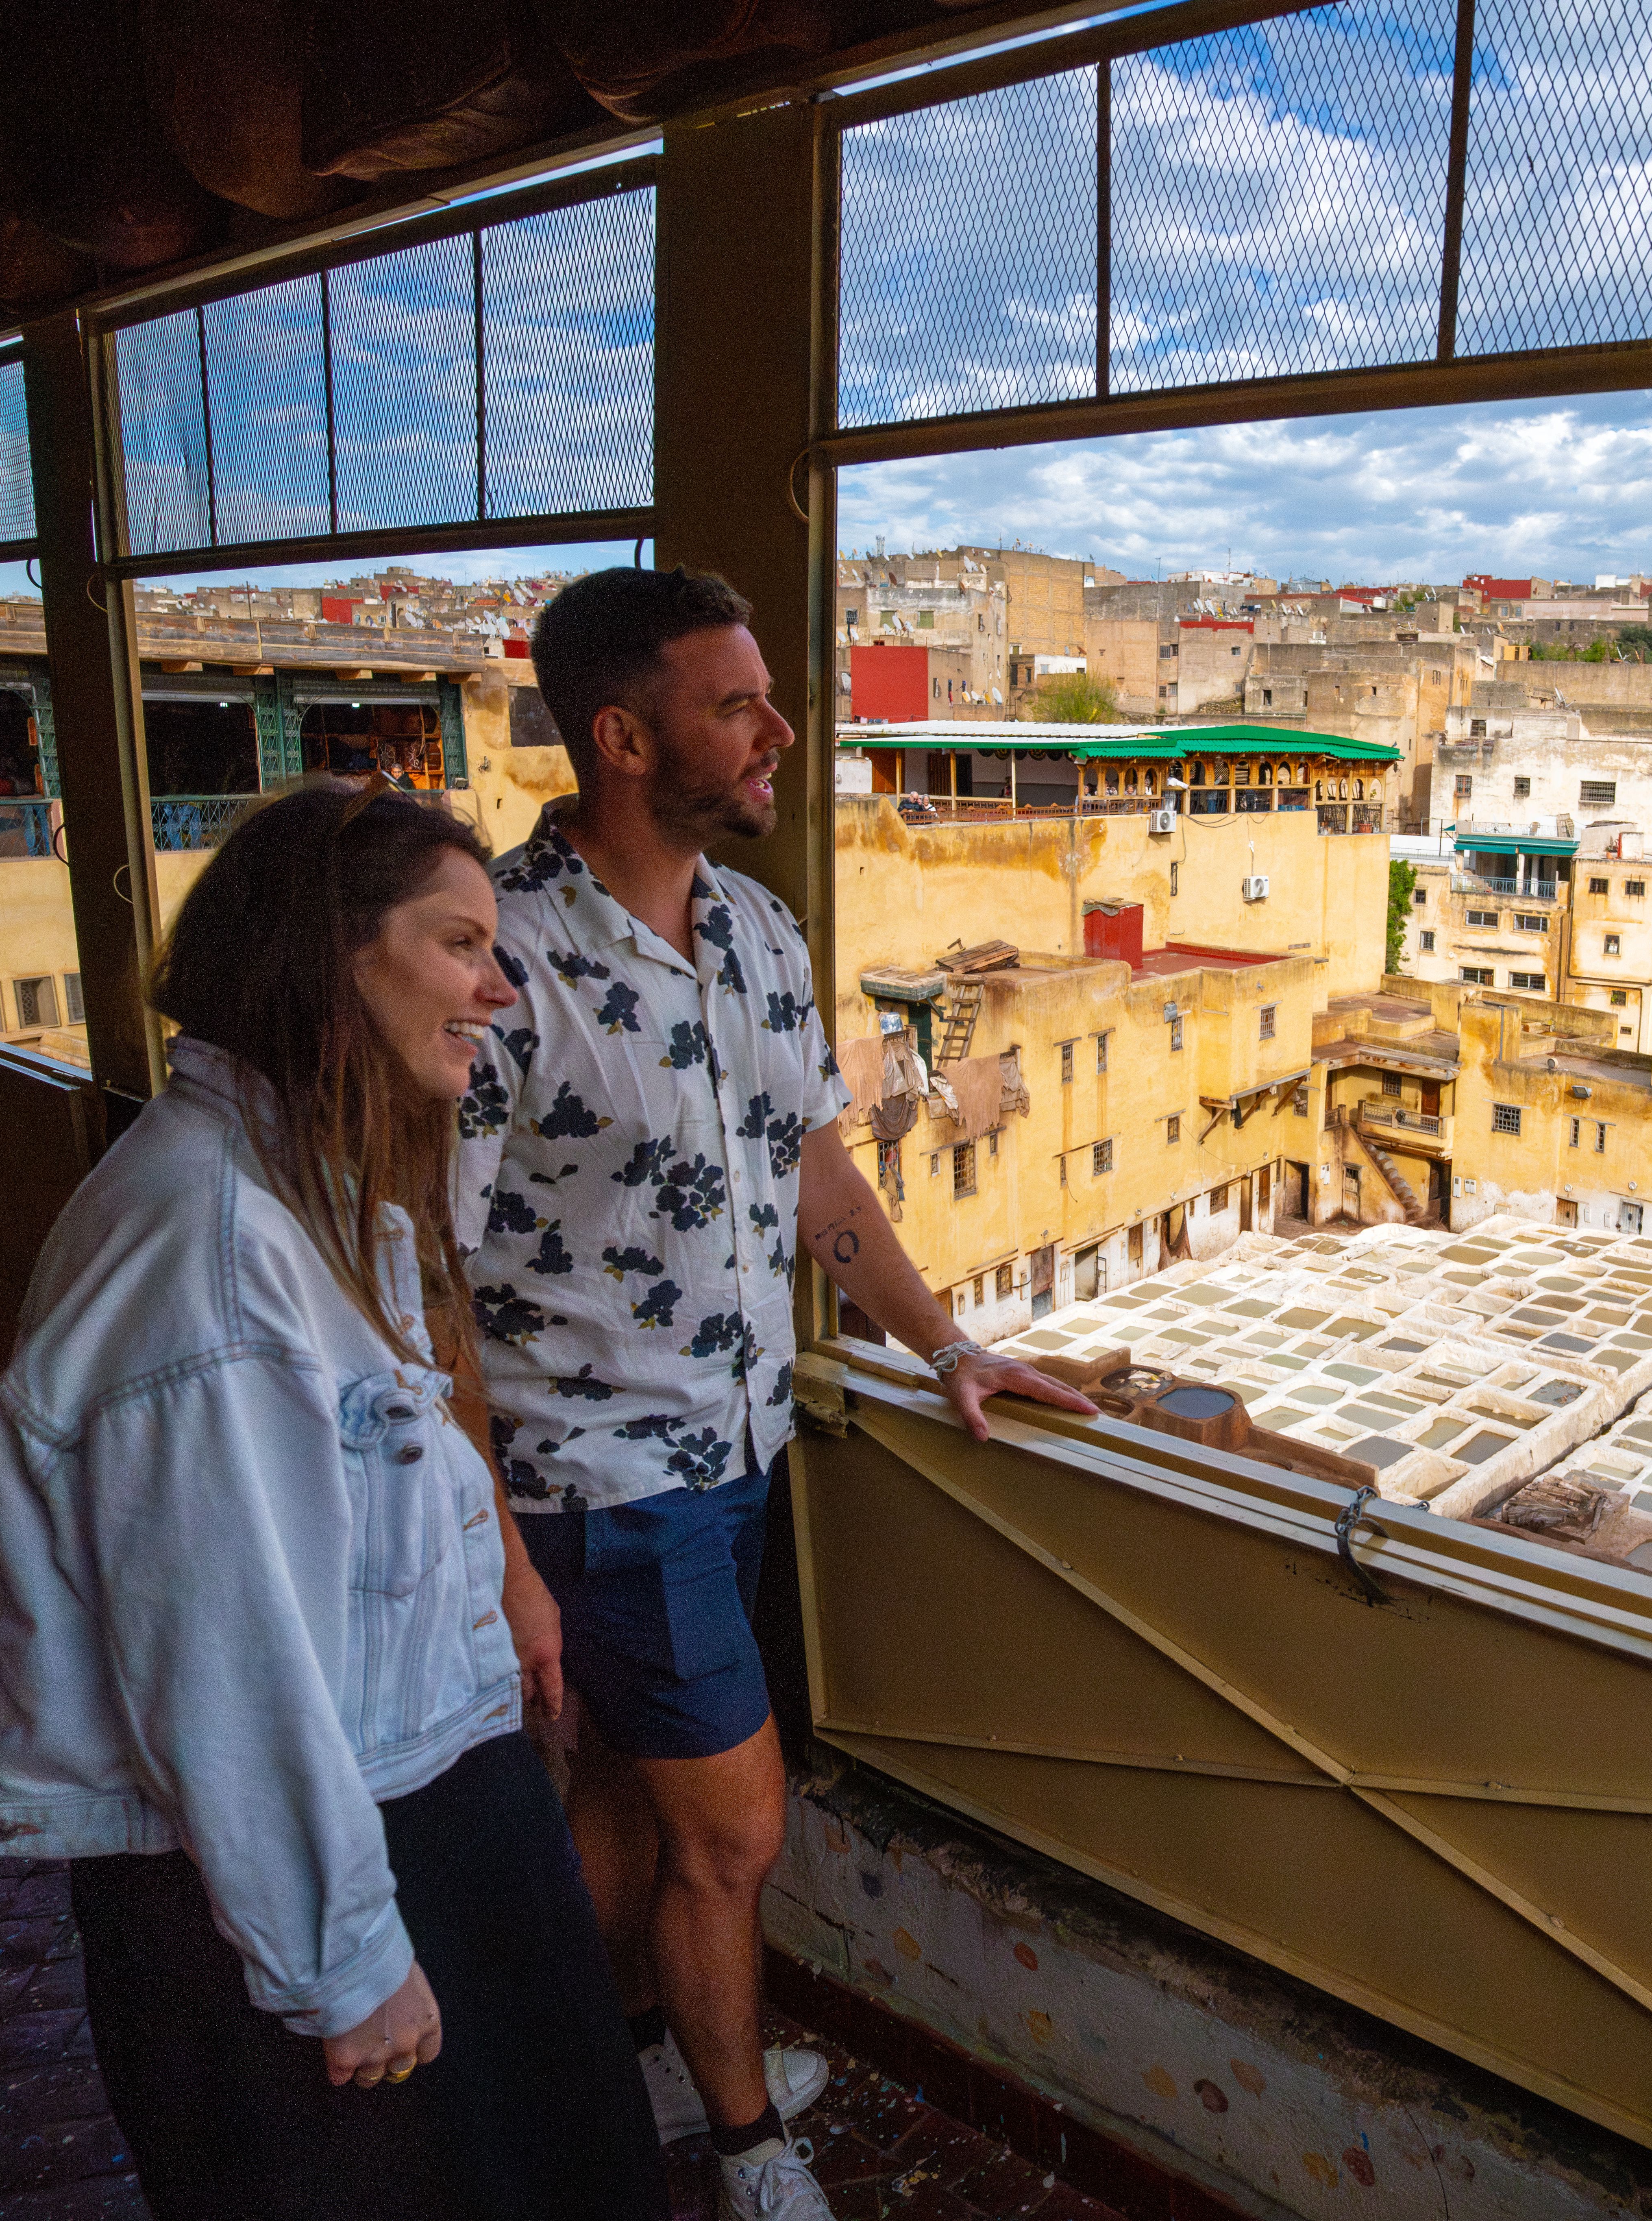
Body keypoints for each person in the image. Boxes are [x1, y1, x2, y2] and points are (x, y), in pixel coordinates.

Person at [462, 567, 1095, 2221]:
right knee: (736, 1835)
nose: (780, 732)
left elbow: (817, 1173)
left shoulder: (758, 930)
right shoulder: (497, 961)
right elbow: (422, 1277)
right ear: (621, 738)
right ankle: (747, 2153)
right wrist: (498, 1546)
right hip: (601, 1479)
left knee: (630, 1796)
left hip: (741, 1442)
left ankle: (612, 2067)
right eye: (736, 703)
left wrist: (945, 1345)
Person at [0, 783, 662, 2221]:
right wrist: (343, 1965)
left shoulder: (297, 1189)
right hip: (302, 1872)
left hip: (410, 1800)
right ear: (326, 959)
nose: (499, 985)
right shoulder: (212, 1257)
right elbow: (224, 1665)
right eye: (459, 943)